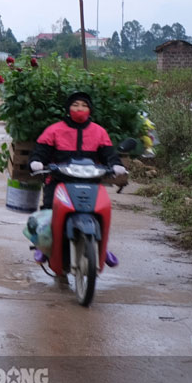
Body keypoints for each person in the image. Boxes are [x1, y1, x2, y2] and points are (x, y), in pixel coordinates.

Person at [29, 91, 126, 275]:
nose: (79, 109)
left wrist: (116, 165)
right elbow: (41, 150)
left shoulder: (99, 131)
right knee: (49, 208)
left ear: (90, 109)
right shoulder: (55, 130)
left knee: (99, 212)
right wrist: (36, 161)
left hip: (91, 181)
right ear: (68, 109)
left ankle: (102, 248)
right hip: (59, 180)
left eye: (83, 105)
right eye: (75, 105)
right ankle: (43, 245)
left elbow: (109, 154)